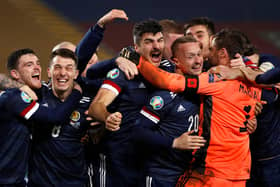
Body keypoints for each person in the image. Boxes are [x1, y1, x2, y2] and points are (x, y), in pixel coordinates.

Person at [120, 28, 274, 187]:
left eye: (209, 51)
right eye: (192, 56)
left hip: (212, 173)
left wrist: (135, 58)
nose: (204, 57)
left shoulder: (217, 80)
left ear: (221, 53)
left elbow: (168, 81)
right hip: (239, 173)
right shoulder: (254, 84)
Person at [87, 19, 176, 187]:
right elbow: (96, 106)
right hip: (118, 160)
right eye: (149, 42)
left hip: (151, 161)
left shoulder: (169, 69)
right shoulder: (123, 72)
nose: (156, 46)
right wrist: (108, 117)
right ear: (137, 48)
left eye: (160, 40)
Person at [0, 48, 82, 187]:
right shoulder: (15, 97)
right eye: (29, 65)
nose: (37, 67)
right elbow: (56, 117)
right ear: (15, 73)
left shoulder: (33, 94)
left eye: (38, 63)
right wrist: (76, 93)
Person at [135, 36, 206, 187]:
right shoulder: (165, 96)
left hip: (190, 176)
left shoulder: (205, 90)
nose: (198, 61)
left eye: (199, 54)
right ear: (176, 61)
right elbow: (138, 132)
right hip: (161, 176)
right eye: (190, 56)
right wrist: (174, 142)